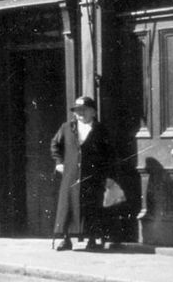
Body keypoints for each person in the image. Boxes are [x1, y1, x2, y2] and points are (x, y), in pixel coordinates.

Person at [51, 96, 114, 251]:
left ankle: (92, 240)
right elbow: (55, 145)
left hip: (92, 175)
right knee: (67, 207)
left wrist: (106, 174)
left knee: (92, 207)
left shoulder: (100, 130)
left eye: (84, 110)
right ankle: (65, 239)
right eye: (77, 111)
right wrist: (59, 163)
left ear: (93, 112)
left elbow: (109, 153)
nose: (80, 113)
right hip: (71, 174)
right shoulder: (67, 127)